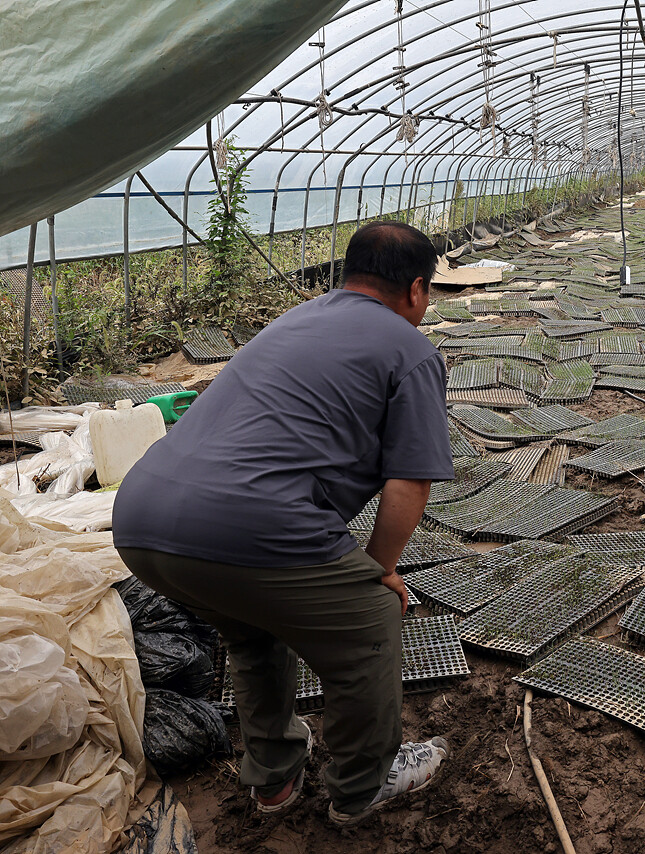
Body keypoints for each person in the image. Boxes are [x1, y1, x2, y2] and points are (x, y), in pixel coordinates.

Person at [112, 220, 455, 826]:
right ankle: (362, 784)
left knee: (252, 630)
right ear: (417, 290)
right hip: (248, 523)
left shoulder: (295, 320)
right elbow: (410, 482)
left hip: (141, 519)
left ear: (347, 275)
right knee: (372, 616)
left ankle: (273, 779)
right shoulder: (410, 349)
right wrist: (378, 572)